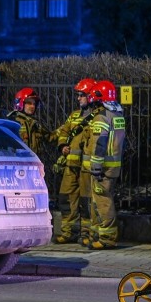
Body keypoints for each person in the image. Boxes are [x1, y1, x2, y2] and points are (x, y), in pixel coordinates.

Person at [52, 78, 99, 245]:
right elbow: (64, 131)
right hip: (70, 166)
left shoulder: (97, 117)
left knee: (86, 202)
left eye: (81, 95)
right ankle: (68, 233)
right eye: (78, 95)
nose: (78, 98)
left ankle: (86, 235)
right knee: (66, 199)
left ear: (91, 96)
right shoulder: (74, 116)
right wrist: (63, 145)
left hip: (86, 168)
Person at [83, 80, 126, 249]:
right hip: (113, 166)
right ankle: (97, 235)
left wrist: (96, 166)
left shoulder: (102, 117)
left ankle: (107, 238)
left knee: (102, 201)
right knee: (100, 200)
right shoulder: (117, 115)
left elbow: (99, 143)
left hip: (104, 168)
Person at [8, 88, 50, 155]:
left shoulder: (34, 124)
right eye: (29, 103)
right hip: (17, 162)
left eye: (34, 104)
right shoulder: (12, 122)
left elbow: (50, 137)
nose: (32, 106)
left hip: (33, 162)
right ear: (20, 103)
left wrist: (65, 128)